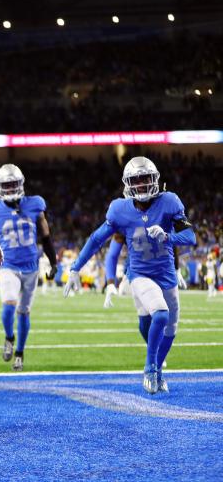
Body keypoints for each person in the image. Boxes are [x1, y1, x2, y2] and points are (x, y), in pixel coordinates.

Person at [64, 156, 196, 394]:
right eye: (137, 180)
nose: (143, 185)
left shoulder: (169, 201)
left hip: (166, 274)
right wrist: (76, 266)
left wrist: (168, 237)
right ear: (127, 183)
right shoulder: (119, 209)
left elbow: (191, 237)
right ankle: (150, 367)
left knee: (171, 327)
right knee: (161, 314)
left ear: (155, 179)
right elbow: (96, 239)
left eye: (147, 179)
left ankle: (158, 369)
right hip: (140, 273)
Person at [0, 164, 58, 372]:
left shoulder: (35, 204)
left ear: (22, 184)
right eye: (6, 185)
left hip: (31, 267)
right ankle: (9, 337)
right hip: (9, 266)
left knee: (24, 312)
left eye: (13, 184)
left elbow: (46, 236)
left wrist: (53, 262)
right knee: (8, 306)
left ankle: (20, 353)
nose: (10, 189)